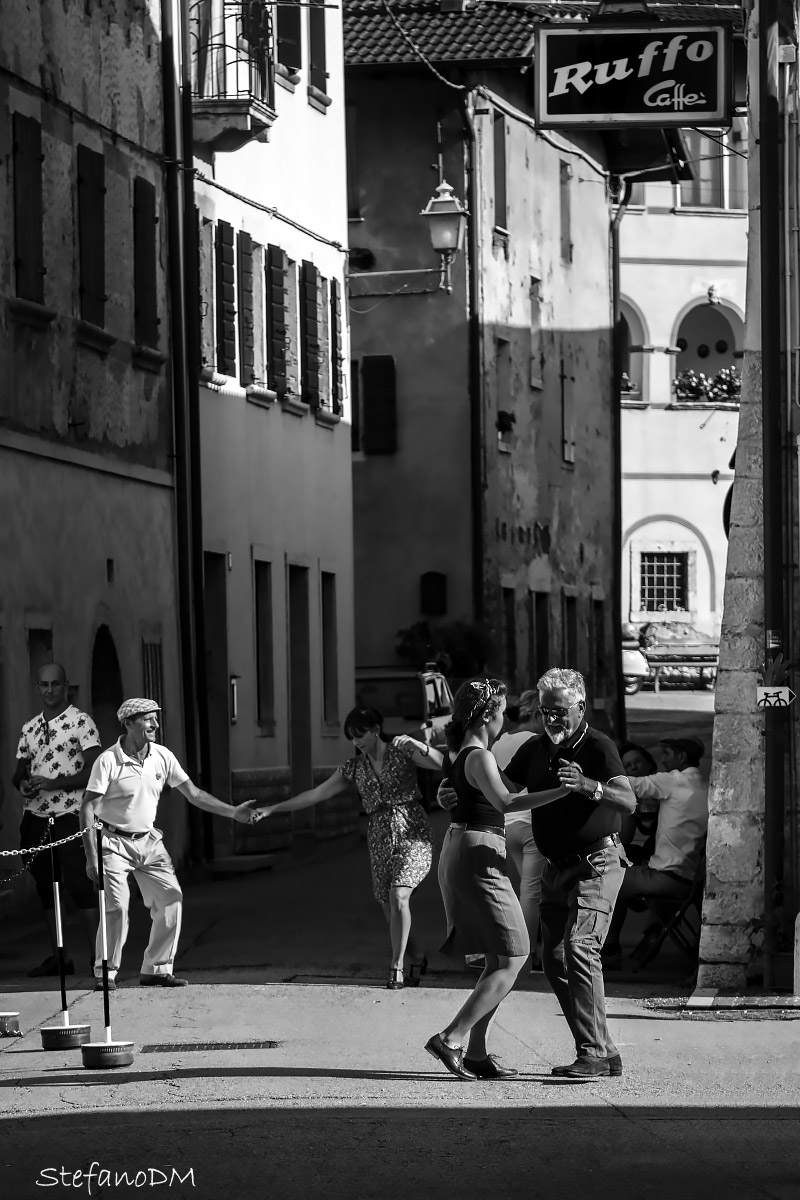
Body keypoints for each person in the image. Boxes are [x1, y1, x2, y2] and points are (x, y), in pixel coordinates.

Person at [425, 678, 570, 1082]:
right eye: (503, 710)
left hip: (466, 846)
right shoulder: (478, 755)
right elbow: (505, 802)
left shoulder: (467, 753)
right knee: (516, 955)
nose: (505, 718)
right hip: (476, 852)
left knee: (497, 957)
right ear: (488, 714)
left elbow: (486, 791)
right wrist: (563, 791)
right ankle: (451, 1038)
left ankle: (475, 1052)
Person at [501, 668, 636, 1079]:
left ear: (580, 707)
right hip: (556, 869)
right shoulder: (535, 749)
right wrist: (458, 790)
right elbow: (501, 788)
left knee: (580, 948)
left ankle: (593, 1054)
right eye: (545, 711)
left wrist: (588, 785)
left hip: (597, 863)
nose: (552, 720)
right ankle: (601, 1051)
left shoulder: (598, 746)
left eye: (559, 711)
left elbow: (627, 801)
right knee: (555, 958)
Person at [253, 708, 442, 990]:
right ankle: (415, 955)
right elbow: (316, 794)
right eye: (352, 738)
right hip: (379, 835)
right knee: (391, 906)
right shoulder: (354, 768)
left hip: (412, 829)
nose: (357, 742)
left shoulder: (402, 750)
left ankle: (396, 967)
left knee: (399, 895)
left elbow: (443, 764)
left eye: (360, 735)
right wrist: (272, 809)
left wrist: (420, 745)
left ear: (376, 729)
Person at [80, 698, 256, 989]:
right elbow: (87, 808)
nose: (155, 725)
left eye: (156, 719)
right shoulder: (108, 760)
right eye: (148, 719)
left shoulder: (162, 756)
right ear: (128, 723)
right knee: (117, 906)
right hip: (112, 841)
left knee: (171, 898)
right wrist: (91, 857)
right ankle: (106, 971)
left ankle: (157, 969)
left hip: (148, 841)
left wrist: (233, 812)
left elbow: (195, 794)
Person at [10, 663, 102, 977]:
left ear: (66, 687)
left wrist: (54, 783)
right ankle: (59, 956)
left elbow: (94, 772)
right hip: (35, 817)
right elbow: (18, 773)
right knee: (46, 887)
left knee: (81, 885)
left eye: (56, 684)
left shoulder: (82, 723)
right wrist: (22, 783)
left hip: (71, 815)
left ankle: (99, 959)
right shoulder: (29, 728)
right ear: (37, 688)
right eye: (44, 685)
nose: (50, 690)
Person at [602, 736, 709, 969]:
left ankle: (608, 949)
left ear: (681, 757)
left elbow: (631, 784)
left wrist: (590, 780)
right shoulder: (703, 786)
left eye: (668, 754)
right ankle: (646, 932)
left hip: (665, 877)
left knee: (608, 876)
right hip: (688, 879)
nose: (663, 759)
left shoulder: (674, 780)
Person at [492, 690, 547, 971]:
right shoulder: (537, 742)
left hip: (507, 825)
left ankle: (520, 950)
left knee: (521, 889)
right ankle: (529, 954)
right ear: (536, 715)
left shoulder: (500, 742)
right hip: (532, 823)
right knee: (532, 892)